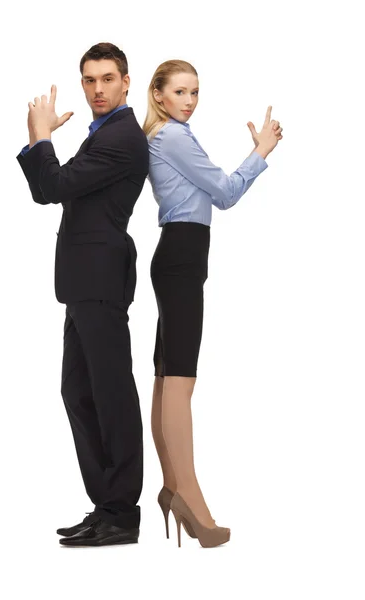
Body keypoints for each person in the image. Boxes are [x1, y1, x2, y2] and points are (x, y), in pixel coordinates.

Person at [142, 59, 283, 548]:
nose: (188, 100)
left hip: (179, 255)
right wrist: (259, 153)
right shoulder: (173, 137)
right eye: (179, 91)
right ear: (157, 94)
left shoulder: (165, 135)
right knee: (181, 380)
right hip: (181, 255)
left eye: (194, 92)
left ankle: (172, 485)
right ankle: (190, 498)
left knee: (167, 377)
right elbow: (223, 193)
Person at [16, 42, 149, 547]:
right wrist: (40, 141)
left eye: (107, 79)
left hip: (100, 282)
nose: (97, 89)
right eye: (90, 80)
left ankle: (121, 513)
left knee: (111, 395)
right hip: (82, 283)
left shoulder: (122, 139)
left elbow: (53, 186)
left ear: (126, 82)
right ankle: (106, 506)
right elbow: (49, 187)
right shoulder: (101, 135)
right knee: (79, 392)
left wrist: (42, 136)